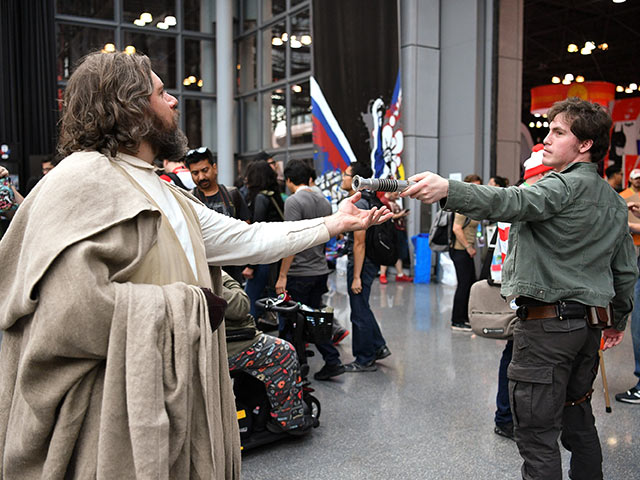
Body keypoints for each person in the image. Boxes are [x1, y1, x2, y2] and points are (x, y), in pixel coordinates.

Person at [0, 51, 390, 478]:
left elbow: (247, 238)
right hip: (112, 416)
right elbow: (69, 311)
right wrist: (188, 306)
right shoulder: (81, 182)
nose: (172, 102)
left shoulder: (157, 186)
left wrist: (336, 222)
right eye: (161, 92)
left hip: (172, 399)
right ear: (128, 107)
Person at [402, 97, 637, 480]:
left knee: (537, 435)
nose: (546, 139)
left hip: (547, 330)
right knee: (578, 422)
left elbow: (510, 200)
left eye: (558, 132)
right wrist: (618, 320)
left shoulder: (559, 187)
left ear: (585, 145)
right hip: (586, 330)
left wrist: (449, 189)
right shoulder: (613, 201)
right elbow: (625, 271)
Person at [492, 145, 553, 441]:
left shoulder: (518, 199)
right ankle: (506, 417)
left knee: (516, 355)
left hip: (520, 295)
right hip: (532, 297)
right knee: (517, 358)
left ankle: (507, 416)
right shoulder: (532, 202)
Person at [275, 159, 346, 381]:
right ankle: (332, 360)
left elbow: (292, 241)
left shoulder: (294, 202)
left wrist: (282, 275)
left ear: (288, 180)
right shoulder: (323, 201)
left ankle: (298, 368)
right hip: (319, 269)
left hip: (299, 272)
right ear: (309, 178)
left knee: (292, 322)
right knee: (314, 318)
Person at [221, 271, 313, 434]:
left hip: (216, 341)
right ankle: (288, 420)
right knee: (284, 351)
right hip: (226, 344)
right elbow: (241, 305)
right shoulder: (200, 274)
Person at [340, 161, 391, 372]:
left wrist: (356, 277)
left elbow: (359, 242)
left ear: (355, 179)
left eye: (345, 174)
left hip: (361, 262)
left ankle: (364, 358)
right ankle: (378, 346)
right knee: (363, 306)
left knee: (358, 310)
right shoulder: (370, 199)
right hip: (370, 260)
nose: (342, 178)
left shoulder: (359, 204)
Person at [186, 147, 251, 283]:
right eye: (195, 173)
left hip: (232, 269)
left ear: (214, 168)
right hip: (202, 272)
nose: (201, 177)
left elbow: (247, 229)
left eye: (205, 170)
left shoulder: (233, 194)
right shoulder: (188, 200)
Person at [242, 159, 286, 320]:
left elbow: (257, 233)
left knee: (250, 301)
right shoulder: (275, 196)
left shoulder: (260, 198)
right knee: (278, 301)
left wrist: (250, 266)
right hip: (277, 255)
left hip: (263, 258)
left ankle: (250, 338)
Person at [449, 174, 482, 332]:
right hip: (460, 250)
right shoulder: (463, 205)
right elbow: (456, 228)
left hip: (466, 250)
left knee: (469, 283)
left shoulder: (472, 205)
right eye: (474, 185)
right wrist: (468, 247)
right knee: (463, 284)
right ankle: (457, 320)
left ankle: (464, 317)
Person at [379, 190, 413, 283]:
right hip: (389, 231)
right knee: (386, 252)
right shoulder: (383, 202)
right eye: (395, 194)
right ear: (389, 193)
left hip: (397, 230)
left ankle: (400, 274)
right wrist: (400, 215)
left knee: (398, 252)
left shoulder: (393, 202)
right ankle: (382, 274)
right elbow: (387, 217)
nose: (397, 197)